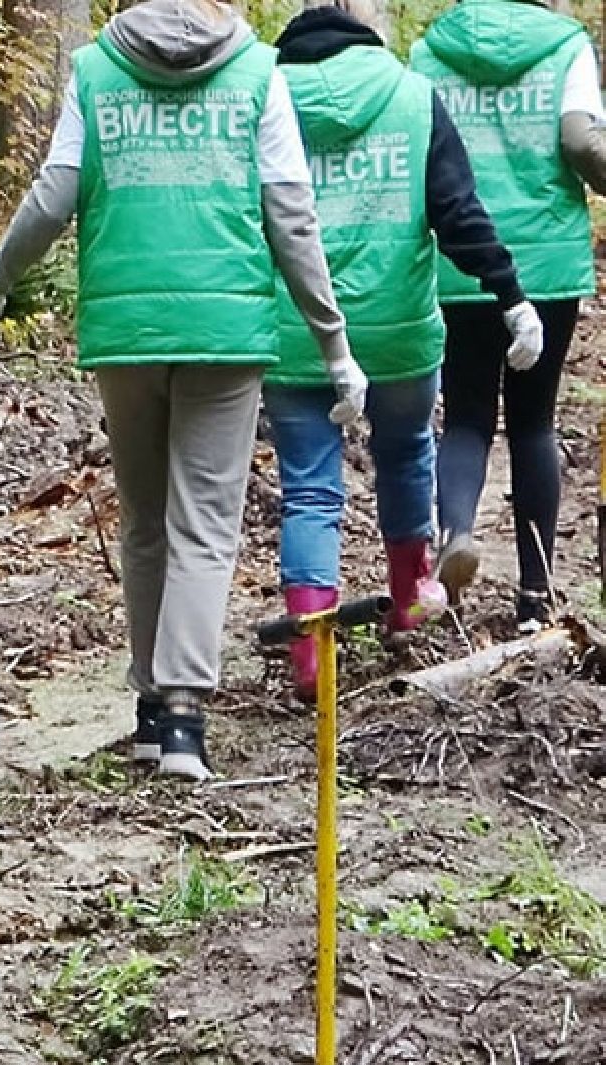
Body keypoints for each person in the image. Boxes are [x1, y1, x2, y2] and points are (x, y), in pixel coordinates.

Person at [0, 0, 362, 778]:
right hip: (225, 326)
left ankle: (150, 711)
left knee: (144, 518)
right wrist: (333, 344)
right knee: (204, 521)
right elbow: (291, 216)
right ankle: (180, 716)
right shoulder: (255, 74)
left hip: (126, 327)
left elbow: (54, 192)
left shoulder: (98, 71)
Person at [267, 0, 541, 698]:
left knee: (307, 488)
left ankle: (309, 656)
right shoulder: (411, 97)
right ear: (366, 36)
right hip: (398, 331)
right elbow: (456, 211)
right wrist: (508, 293)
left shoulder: (261, 97)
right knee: (406, 453)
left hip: (296, 331)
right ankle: (407, 601)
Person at [412, 0, 606, 630]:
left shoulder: (430, 51)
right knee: (533, 422)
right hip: (545, 264)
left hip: (459, 260)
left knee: (465, 416)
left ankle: (457, 534)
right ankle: (534, 594)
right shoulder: (564, 45)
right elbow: (580, 138)